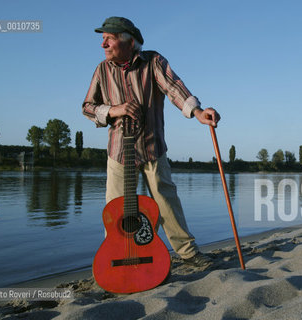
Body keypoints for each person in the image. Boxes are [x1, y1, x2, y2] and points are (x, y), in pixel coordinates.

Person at [82, 17, 220, 268]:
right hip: (119, 153)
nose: (103, 44)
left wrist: (198, 113)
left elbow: (175, 89)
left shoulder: (153, 62)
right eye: (102, 39)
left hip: (152, 148)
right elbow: (88, 108)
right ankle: (115, 256)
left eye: (109, 38)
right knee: (116, 211)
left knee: (167, 202)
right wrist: (115, 110)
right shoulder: (101, 70)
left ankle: (188, 253)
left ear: (129, 41)